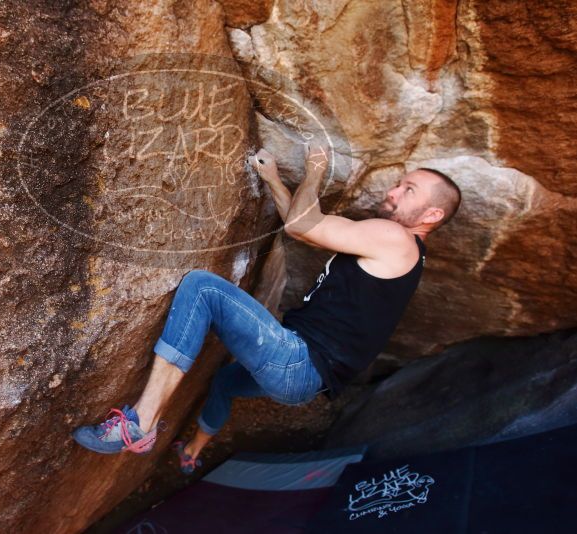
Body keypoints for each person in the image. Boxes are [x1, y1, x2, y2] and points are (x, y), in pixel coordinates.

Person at [71, 146, 462, 474]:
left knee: (201, 287)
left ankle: (141, 423)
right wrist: (273, 178)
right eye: (399, 183)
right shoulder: (404, 252)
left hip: (298, 361)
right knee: (225, 383)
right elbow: (307, 227)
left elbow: (301, 226)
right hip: (304, 383)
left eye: (408, 189)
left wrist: (316, 171)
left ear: (431, 216)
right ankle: (193, 451)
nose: (394, 191)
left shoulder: (394, 237)